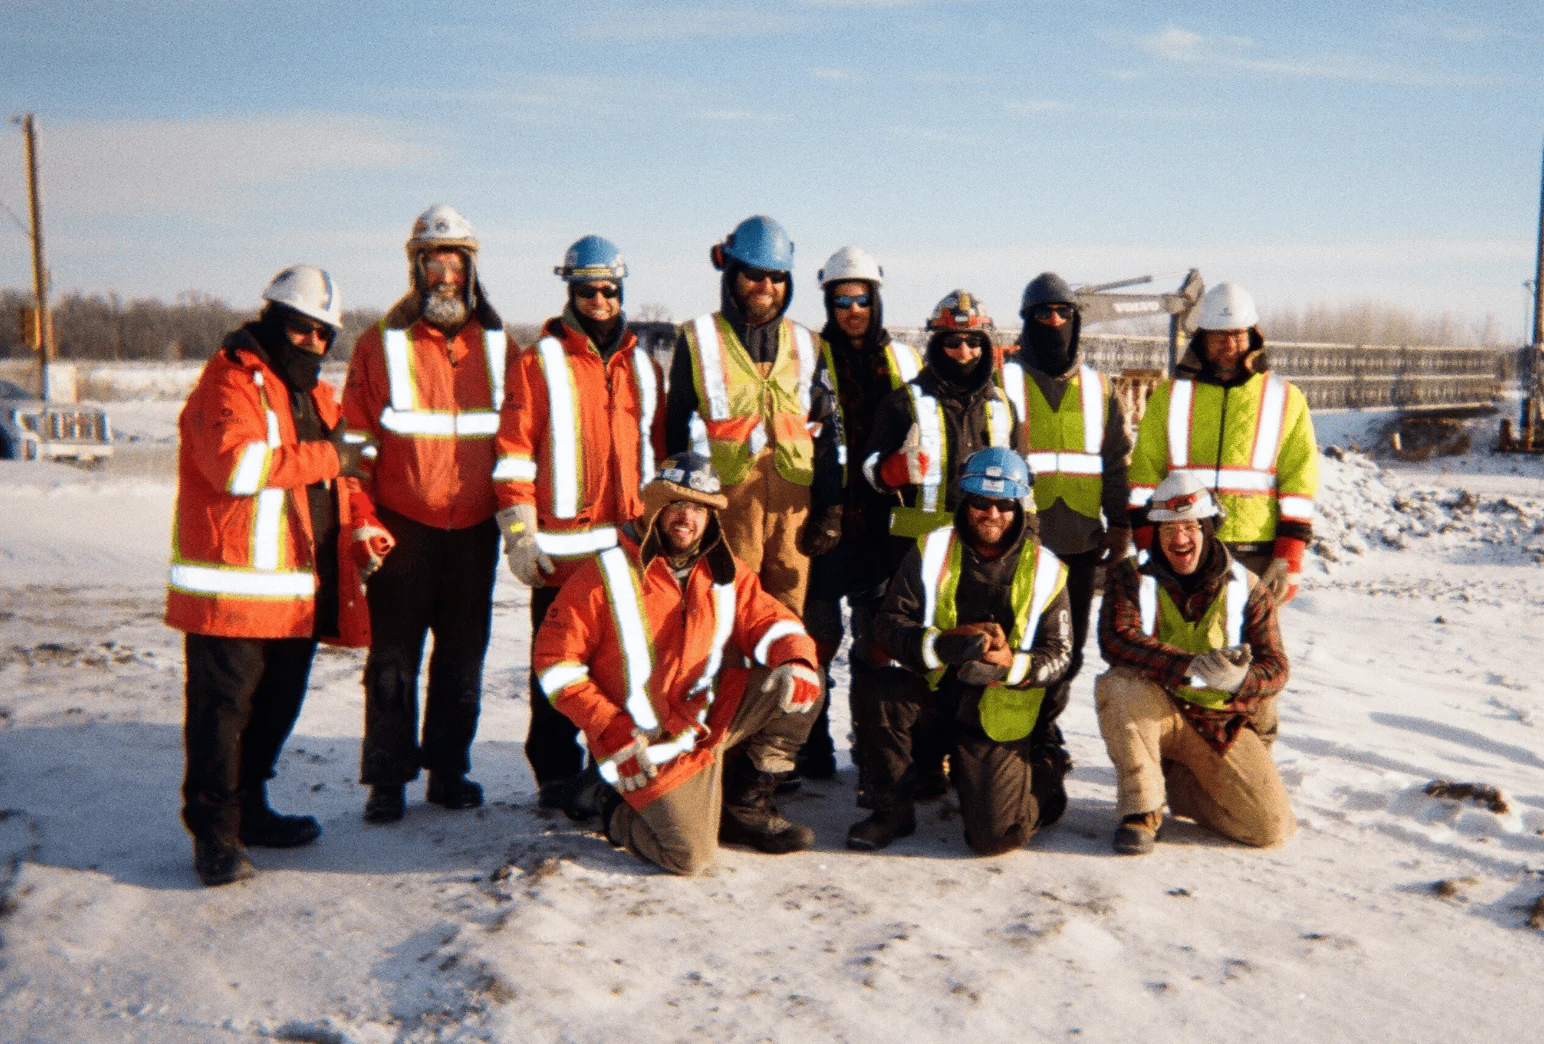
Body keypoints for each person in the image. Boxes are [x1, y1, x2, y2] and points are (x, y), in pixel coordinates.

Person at [167, 266, 376, 886]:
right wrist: (332, 456)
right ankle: (215, 836)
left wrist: (363, 523)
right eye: (302, 329)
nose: (312, 343)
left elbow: (346, 473)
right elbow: (236, 465)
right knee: (222, 714)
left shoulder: (316, 395)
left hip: (295, 592)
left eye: (324, 335)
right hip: (231, 591)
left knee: (274, 709)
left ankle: (251, 810)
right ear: (271, 321)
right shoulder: (229, 381)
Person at [531, 453, 825, 875]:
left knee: (804, 685)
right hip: (640, 742)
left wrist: (794, 658)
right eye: (676, 504)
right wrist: (611, 730)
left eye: (700, 508)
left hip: (706, 716)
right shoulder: (605, 573)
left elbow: (770, 620)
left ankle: (742, 807)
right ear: (655, 506)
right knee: (689, 857)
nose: (687, 517)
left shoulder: (724, 569)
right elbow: (555, 662)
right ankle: (609, 804)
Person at [342, 204, 510, 824]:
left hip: (473, 531)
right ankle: (387, 778)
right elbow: (354, 441)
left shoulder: (498, 345)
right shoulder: (379, 345)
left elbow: (520, 438)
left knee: (464, 655)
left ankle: (448, 769)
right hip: (402, 526)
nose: (445, 275)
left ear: (471, 268)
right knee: (393, 656)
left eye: (456, 262)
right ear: (416, 267)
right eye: (434, 262)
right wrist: (361, 514)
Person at [493, 235, 665, 811]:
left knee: (618, 669)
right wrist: (519, 536)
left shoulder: (643, 365)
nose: (599, 300)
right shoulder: (536, 362)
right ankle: (555, 776)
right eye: (587, 290)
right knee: (557, 669)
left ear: (621, 292)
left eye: (609, 290)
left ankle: (611, 770)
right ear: (570, 290)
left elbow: (657, 455)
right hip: (561, 556)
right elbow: (514, 453)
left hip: (627, 553)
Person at [858, 448, 1073, 854]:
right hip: (937, 694)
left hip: (996, 709)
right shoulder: (931, 548)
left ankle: (1043, 771)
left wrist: (1010, 665)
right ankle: (889, 810)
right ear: (964, 501)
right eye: (981, 502)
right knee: (879, 687)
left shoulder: (1047, 569)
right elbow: (887, 624)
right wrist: (939, 644)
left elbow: (1060, 654)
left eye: (1004, 504)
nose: (992, 513)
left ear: (1019, 505)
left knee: (994, 838)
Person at [859, 289, 1019, 801]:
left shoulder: (1003, 407)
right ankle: (891, 773)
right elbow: (867, 472)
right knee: (904, 664)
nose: (964, 353)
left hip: (975, 556)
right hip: (908, 553)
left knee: (962, 658)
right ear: (936, 345)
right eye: (952, 343)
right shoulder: (904, 401)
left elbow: (1021, 484)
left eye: (973, 342)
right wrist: (892, 469)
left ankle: (945, 760)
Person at [1095, 471, 1294, 855]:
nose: (1179, 538)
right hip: (1159, 707)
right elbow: (1116, 639)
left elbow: (1277, 667)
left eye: (1189, 526)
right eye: (1168, 528)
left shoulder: (1249, 587)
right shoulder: (1129, 576)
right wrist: (1188, 665)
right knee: (1117, 685)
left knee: (1268, 827)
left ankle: (1183, 790)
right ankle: (1143, 808)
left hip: (1220, 722)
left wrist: (1241, 679)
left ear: (1208, 528)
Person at [663, 215, 845, 617]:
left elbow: (830, 432)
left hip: (792, 512)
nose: (766, 286)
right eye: (754, 275)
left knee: (786, 616)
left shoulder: (810, 344)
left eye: (776, 276)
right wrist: (677, 508)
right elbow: (673, 433)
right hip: (727, 506)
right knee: (725, 613)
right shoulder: (697, 339)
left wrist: (830, 509)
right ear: (731, 274)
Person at [796, 246, 923, 781]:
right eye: (842, 299)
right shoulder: (805, 356)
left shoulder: (905, 361)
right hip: (824, 523)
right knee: (816, 638)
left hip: (883, 527)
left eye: (862, 299)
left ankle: (874, 749)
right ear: (828, 301)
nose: (853, 309)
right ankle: (810, 746)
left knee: (878, 645)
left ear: (877, 300)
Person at [999, 272, 1132, 746]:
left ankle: (1043, 728)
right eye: (1042, 314)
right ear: (1027, 320)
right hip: (1017, 543)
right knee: (1016, 642)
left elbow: (1116, 463)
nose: (1053, 322)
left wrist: (1119, 527)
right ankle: (1008, 730)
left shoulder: (1099, 388)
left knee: (1068, 650)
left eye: (1062, 314)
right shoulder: (1005, 380)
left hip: (1079, 543)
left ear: (1076, 321)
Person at [1127, 282, 1318, 603]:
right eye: (1218, 335)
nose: (1228, 344)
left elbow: (1299, 483)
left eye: (1237, 334)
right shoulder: (1170, 397)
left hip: (1256, 553)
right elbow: (1144, 477)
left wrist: (1290, 554)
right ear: (1201, 337)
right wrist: (1148, 545)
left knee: (1252, 652)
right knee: (1184, 651)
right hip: (1184, 550)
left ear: (1253, 335)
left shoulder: (1285, 398)